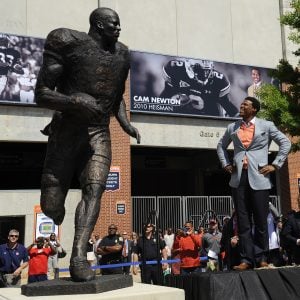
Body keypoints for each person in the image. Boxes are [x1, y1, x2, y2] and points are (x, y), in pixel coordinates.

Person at [34, 7, 140, 282]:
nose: (118, 29)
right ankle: (55, 210)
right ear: (98, 24)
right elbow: (41, 94)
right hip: (67, 130)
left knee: (95, 190)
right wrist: (73, 101)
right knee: (51, 206)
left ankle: (79, 255)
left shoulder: (122, 54)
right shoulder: (66, 42)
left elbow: (115, 98)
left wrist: (126, 124)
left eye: (119, 24)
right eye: (113, 24)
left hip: (98, 132)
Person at [217, 96, 291, 270]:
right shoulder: (232, 127)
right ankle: (246, 260)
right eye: (241, 104)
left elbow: (285, 143)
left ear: (254, 109)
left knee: (260, 221)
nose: (241, 106)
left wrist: (275, 165)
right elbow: (220, 146)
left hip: (259, 177)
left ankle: (261, 258)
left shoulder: (266, 125)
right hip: (238, 179)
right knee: (243, 222)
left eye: (245, 105)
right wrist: (226, 163)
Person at [160, 59, 238, 117]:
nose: (205, 75)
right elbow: (165, 97)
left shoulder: (218, 81)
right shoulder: (176, 70)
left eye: (207, 71)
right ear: (190, 68)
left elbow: (227, 105)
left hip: (208, 118)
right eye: (201, 72)